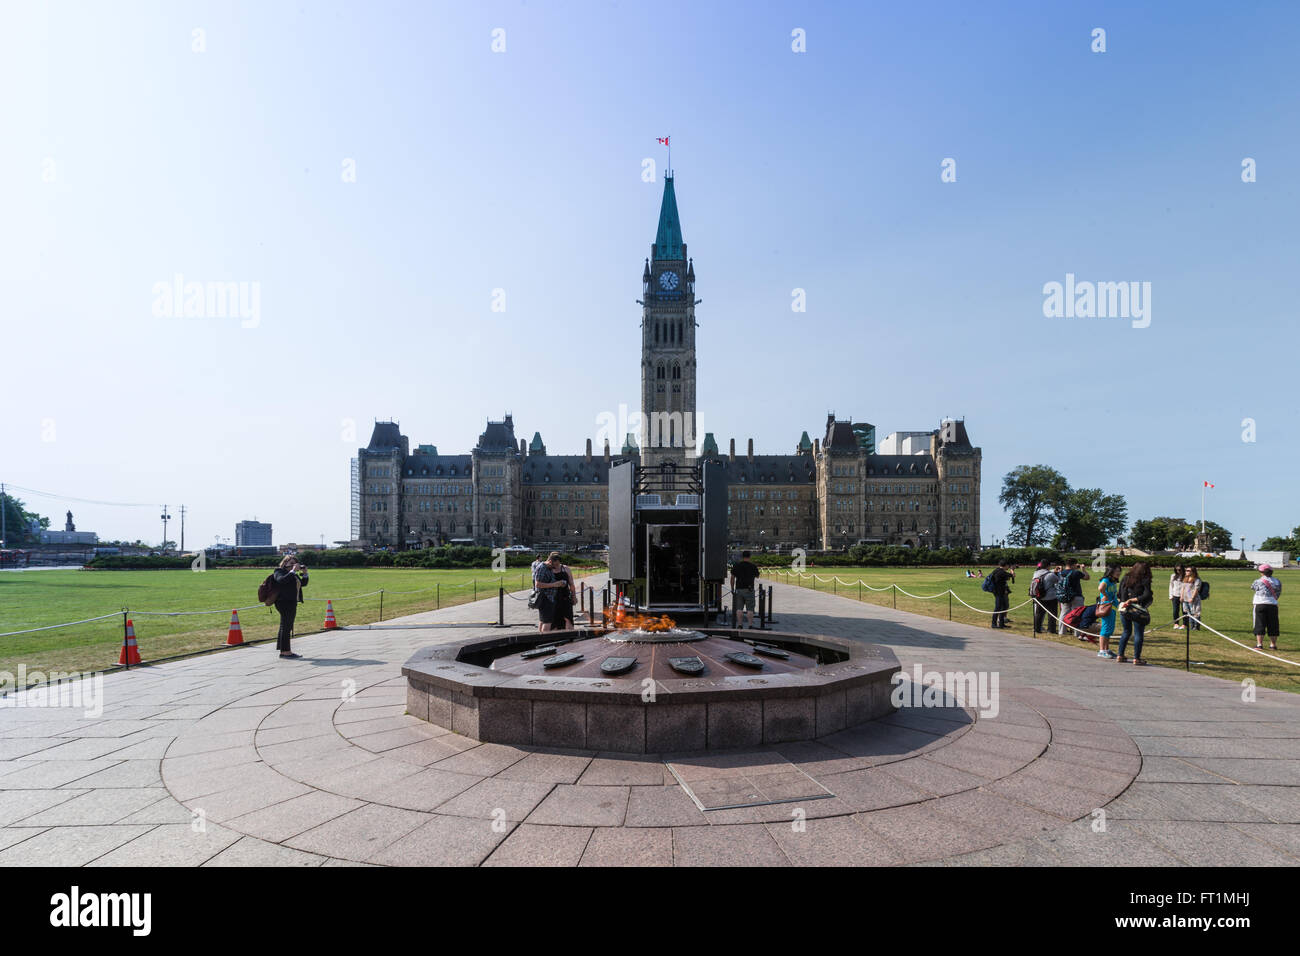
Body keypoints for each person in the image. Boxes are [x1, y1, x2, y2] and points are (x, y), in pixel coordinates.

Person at [272, 554, 309, 659]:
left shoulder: (292, 574)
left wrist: (305, 574)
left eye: (295, 563)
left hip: (291, 602)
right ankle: (285, 652)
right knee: (286, 626)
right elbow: (281, 580)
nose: (294, 565)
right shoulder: (279, 571)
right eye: (291, 563)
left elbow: (302, 584)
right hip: (283, 602)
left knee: (285, 625)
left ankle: (283, 650)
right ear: (285, 563)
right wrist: (293, 571)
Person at [1116, 562, 1153, 664]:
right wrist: (1133, 600)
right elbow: (1147, 594)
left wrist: (1124, 601)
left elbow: (1119, 593)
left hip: (1124, 608)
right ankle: (1136, 658)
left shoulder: (1126, 577)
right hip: (1136, 609)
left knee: (1126, 631)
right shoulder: (1144, 579)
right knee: (1138, 633)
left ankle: (1120, 655)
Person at [1251, 563, 1282, 650]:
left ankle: (1259, 644)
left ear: (1261, 572)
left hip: (1260, 603)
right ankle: (1273, 645)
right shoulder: (1277, 581)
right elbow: (1278, 592)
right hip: (1272, 604)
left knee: (1260, 623)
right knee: (1273, 624)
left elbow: (1253, 588)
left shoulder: (1258, 581)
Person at [1057, 558, 1090, 635]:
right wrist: (1083, 569)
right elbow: (1087, 577)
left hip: (1064, 595)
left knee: (1063, 613)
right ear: (1073, 564)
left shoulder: (1061, 573)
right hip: (1076, 596)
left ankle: (1061, 632)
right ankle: (1077, 633)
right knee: (1077, 614)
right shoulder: (1076, 573)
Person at [730, 550, 760, 628]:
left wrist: (732, 588)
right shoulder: (753, 566)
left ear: (742, 557)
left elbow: (732, 578)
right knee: (750, 608)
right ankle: (750, 625)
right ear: (749, 557)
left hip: (739, 589)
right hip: (749, 589)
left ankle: (740, 625)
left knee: (739, 608)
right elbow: (757, 576)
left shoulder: (737, 565)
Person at [1095, 563, 1119, 658]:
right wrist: (1104, 595)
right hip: (1106, 607)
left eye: (1119, 570)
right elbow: (1100, 588)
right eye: (1117, 571)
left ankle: (1106, 649)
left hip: (1112, 607)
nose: (1118, 573)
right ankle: (1101, 650)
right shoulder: (1106, 580)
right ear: (1111, 571)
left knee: (1109, 629)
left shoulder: (1113, 582)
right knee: (1105, 628)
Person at [549, 552, 576, 630]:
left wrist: (574, 596)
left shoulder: (565, 569)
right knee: (554, 620)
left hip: (565, 596)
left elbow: (571, 584)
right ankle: (556, 638)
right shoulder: (548, 569)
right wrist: (555, 584)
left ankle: (570, 636)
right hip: (553, 598)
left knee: (568, 618)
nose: (556, 566)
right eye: (554, 564)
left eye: (558, 563)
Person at [1035, 562, 1061, 634]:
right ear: (1048, 566)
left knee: (1039, 613)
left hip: (1039, 596)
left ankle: (1037, 628)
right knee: (1052, 614)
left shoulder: (1036, 573)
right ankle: (1051, 630)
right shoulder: (1050, 575)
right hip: (1050, 596)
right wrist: (1059, 572)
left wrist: (1053, 571)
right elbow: (1059, 580)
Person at [988, 560, 1014, 628]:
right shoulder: (1001, 572)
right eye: (1008, 565)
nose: (1008, 567)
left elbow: (1007, 578)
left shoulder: (996, 570)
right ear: (1005, 565)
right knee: (998, 608)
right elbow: (1012, 575)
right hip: (999, 592)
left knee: (1003, 607)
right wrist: (1012, 570)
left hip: (999, 592)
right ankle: (994, 624)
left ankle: (1001, 624)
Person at [1180, 567, 1202, 632]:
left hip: (1194, 599)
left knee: (1195, 612)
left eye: (1188, 570)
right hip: (1185, 599)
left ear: (1193, 572)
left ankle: (1196, 627)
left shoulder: (1197, 579)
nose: (1186, 572)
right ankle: (1191, 626)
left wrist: (1192, 598)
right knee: (1189, 613)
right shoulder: (1185, 579)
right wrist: (1181, 597)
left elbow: (1196, 589)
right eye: (1186, 570)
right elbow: (1182, 589)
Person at [1169, 564, 1185, 628]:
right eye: (1177, 570)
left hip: (1184, 596)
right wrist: (1170, 595)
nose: (1178, 571)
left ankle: (1184, 624)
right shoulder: (1173, 576)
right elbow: (1171, 586)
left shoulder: (1185, 576)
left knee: (1184, 610)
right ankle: (1176, 624)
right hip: (1175, 595)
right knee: (1175, 610)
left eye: (1179, 569)